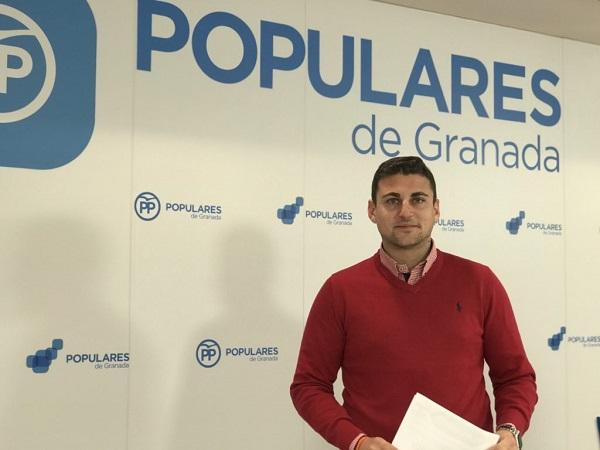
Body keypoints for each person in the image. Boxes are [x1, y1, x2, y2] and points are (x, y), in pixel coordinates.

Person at [290, 156, 537, 450]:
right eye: (392, 201)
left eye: (418, 200)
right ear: (372, 210)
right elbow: (309, 386)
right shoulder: (339, 290)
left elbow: (516, 377)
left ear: (436, 209)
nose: (405, 211)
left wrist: (510, 431)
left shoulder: (480, 282)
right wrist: (357, 442)